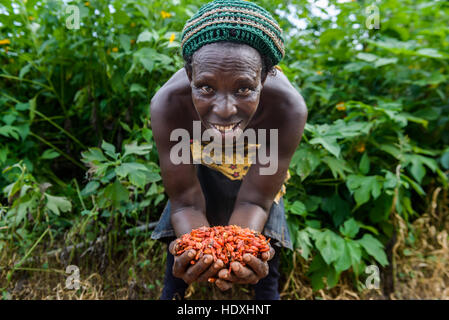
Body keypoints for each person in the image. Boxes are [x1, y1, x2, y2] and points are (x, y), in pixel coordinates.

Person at [150, 0, 307, 300]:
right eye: (206, 87)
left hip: (259, 178)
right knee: (177, 274)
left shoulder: (287, 110)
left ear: (265, 77)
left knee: (264, 275)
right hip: (200, 169)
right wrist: (203, 248)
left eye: (244, 89)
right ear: (189, 74)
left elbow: (256, 202)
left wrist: (238, 252)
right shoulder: (168, 106)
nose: (224, 110)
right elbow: (185, 202)